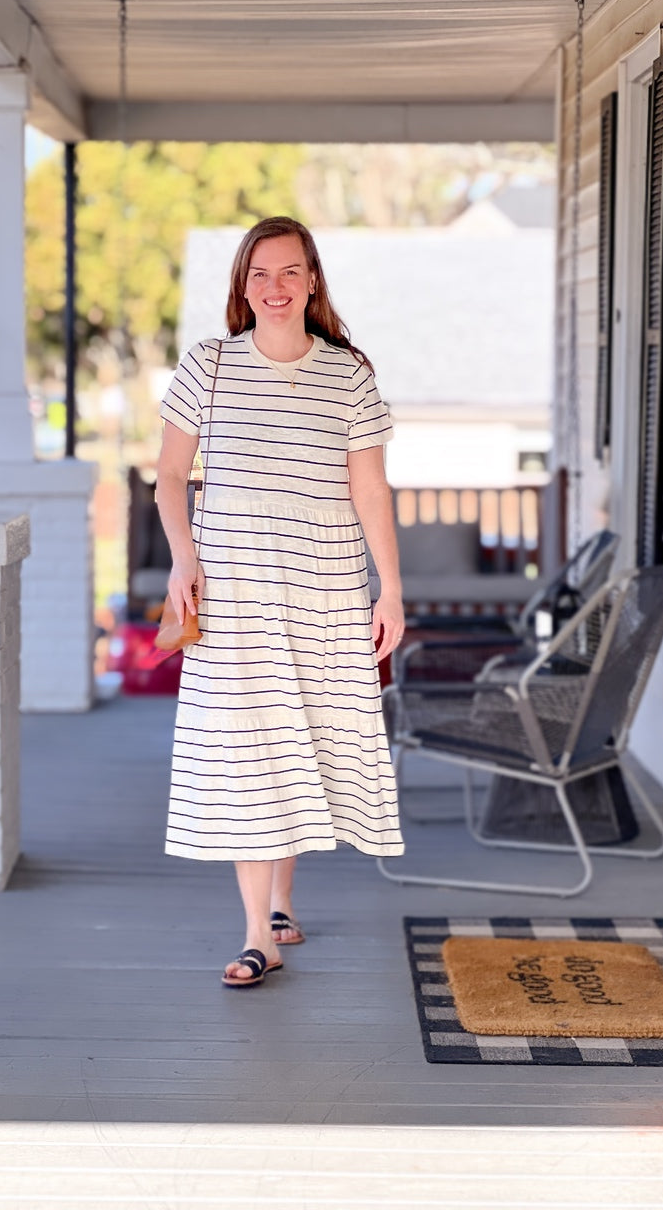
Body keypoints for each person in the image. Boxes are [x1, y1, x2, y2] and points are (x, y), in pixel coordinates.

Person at [156, 216, 405, 989]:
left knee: (301, 741)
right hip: (232, 595)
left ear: (312, 282)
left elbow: (369, 489)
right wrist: (183, 558)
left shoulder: (348, 375)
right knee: (247, 753)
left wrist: (388, 587)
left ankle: (284, 899)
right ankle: (256, 930)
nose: (274, 288)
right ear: (241, 285)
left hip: (324, 589)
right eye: (259, 274)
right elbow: (169, 478)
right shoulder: (209, 366)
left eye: (289, 272)